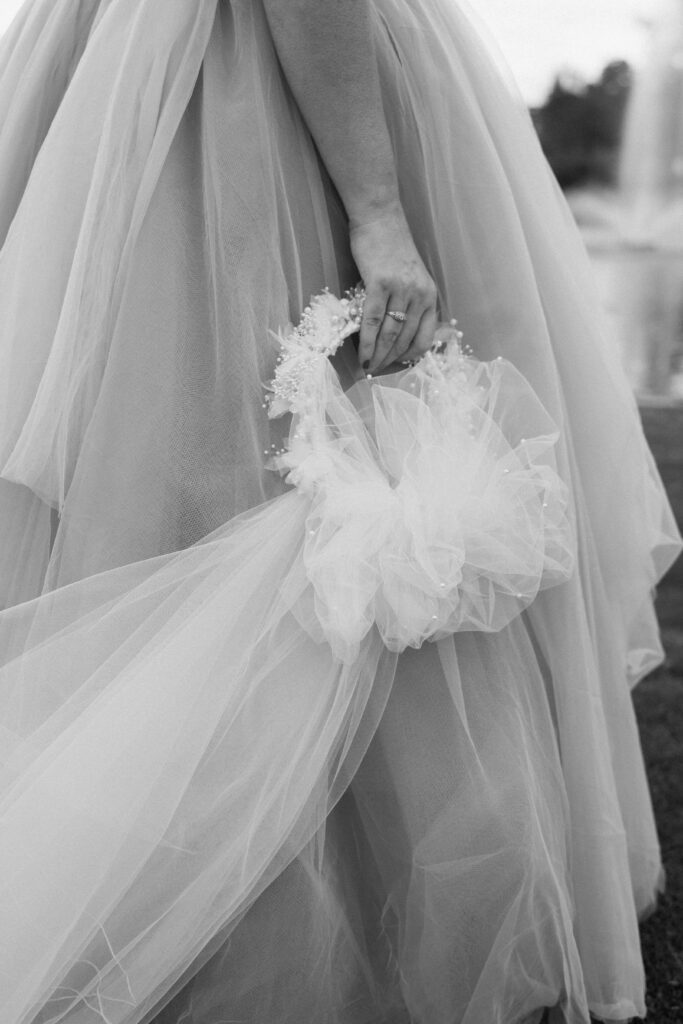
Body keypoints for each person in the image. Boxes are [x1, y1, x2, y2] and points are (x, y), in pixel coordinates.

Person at [0, 1, 679, 1022]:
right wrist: (376, 208)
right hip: (256, 77)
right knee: (279, 486)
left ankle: (119, 892)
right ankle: (241, 926)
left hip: (117, 69)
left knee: (150, 477)